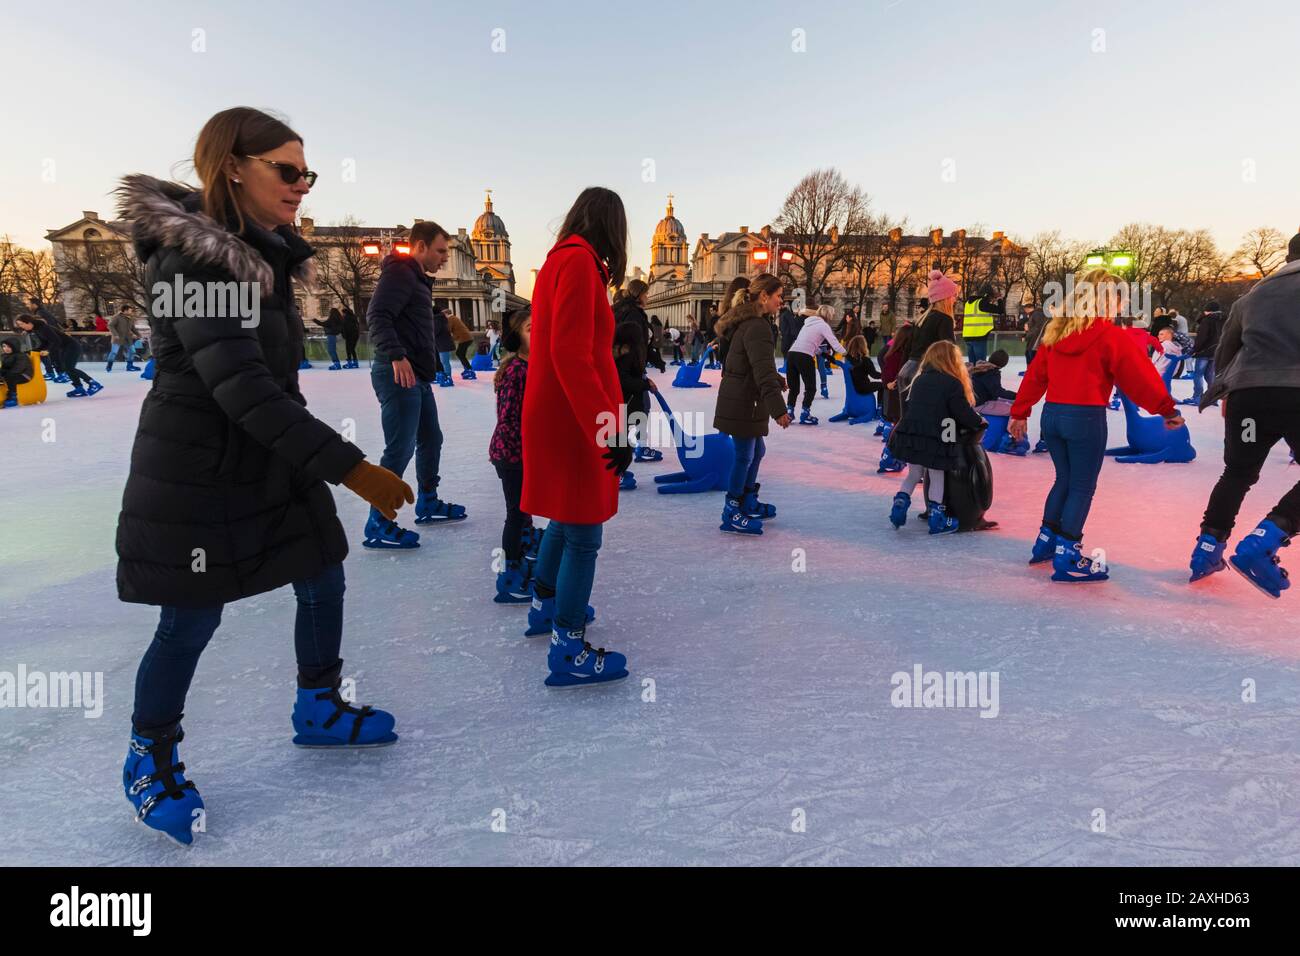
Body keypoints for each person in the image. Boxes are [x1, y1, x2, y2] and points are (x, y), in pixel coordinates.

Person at [113, 107, 413, 845]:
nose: (302, 185)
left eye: (306, 171)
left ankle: (318, 704)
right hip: (198, 470)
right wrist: (351, 469)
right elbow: (242, 388)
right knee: (192, 615)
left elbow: (273, 388)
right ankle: (148, 755)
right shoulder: (194, 263)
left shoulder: (268, 257)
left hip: (270, 454)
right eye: (287, 170)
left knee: (324, 568)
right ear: (232, 168)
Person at [521, 186, 631, 687]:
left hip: (560, 412)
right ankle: (568, 645)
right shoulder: (581, 264)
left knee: (566, 517)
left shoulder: (561, 262)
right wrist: (609, 430)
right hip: (575, 418)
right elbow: (573, 355)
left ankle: (546, 606)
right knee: (584, 530)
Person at [1009, 269, 1183, 583]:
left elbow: (1035, 376)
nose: (1122, 307)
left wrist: (1020, 412)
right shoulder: (1111, 336)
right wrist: (1166, 409)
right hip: (1085, 418)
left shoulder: (1055, 332)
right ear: (1108, 300)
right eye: (1121, 299)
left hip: (1052, 416)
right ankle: (1068, 556)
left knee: (1064, 479)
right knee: (1081, 486)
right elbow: (1139, 378)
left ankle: (1046, 541)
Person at [1190, 234, 1300, 596]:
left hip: (1250, 399)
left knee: (1237, 472)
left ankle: (1207, 549)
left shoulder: (1253, 296)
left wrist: (1225, 388)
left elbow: (1226, 351)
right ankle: (1263, 539)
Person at [365, 219, 468, 548]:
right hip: (398, 375)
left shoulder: (418, 280)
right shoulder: (400, 272)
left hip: (417, 377)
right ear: (420, 246)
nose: (444, 258)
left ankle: (427, 500)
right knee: (399, 448)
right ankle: (378, 522)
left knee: (430, 439)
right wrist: (397, 355)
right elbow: (378, 315)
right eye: (440, 251)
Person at [713, 273, 791, 534]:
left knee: (756, 452)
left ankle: (746, 499)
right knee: (745, 454)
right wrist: (779, 409)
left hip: (742, 396)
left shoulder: (750, 322)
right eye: (779, 295)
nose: (782, 301)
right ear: (764, 296)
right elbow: (762, 372)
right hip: (744, 400)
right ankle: (732, 509)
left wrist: (776, 379)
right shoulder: (757, 326)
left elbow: (753, 365)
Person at [888, 340, 990, 534]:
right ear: (952, 360)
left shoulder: (919, 379)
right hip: (938, 433)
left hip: (913, 433)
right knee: (937, 474)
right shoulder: (952, 383)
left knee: (914, 474)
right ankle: (938, 519)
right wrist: (979, 421)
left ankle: (899, 505)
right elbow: (961, 412)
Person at [489, 307, 535, 603]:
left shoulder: (532, 365)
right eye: (531, 328)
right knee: (515, 513)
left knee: (524, 506)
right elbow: (509, 419)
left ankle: (525, 545)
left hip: (520, 454)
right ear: (517, 337)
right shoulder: (517, 371)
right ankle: (510, 573)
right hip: (511, 455)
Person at [898, 270, 958, 407]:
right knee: (924, 422)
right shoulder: (944, 319)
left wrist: (901, 371)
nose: (955, 299)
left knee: (907, 420)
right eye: (953, 295)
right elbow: (949, 353)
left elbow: (908, 349)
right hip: (923, 374)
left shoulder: (921, 319)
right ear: (945, 297)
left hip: (907, 371)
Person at [14, 313, 100, 397]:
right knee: (67, 368)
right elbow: (45, 343)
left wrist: (48, 350)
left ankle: (93, 383)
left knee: (69, 368)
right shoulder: (37, 329)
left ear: (28, 322)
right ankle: (79, 388)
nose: (21, 327)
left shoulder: (43, 328)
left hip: (72, 346)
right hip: (64, 348)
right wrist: (30, 352)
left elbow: (56, 341)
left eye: (21, 324)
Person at [785, 304, 845, 424]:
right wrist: (849, 353)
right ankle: (805, 413)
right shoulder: (823, 325)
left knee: (794, 388)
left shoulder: (807, 324)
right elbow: (835, 344)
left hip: (791, 354)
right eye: (832, 314)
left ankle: (790, 412)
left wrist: (823, 354)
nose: (832, 317)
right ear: (827, 314)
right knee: (810, 387)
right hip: (804, 356)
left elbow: (808, 343)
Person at [1182, 301, 1224, 407]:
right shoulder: (1224, 320)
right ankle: (1212, 398)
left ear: (1207, 310)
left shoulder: (1207, 320)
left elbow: (1202, 337)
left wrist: (1194, 349)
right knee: (1210, 375)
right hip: (1217, 351)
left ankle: (1197, 396)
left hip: (1204, 351)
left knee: (1198, 374)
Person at [880, 324, 915, 425]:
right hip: (897, 395)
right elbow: (887, 373)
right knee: (899, 422)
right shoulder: (896, 355)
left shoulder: (906, 354)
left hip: (902, 394)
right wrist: (888, 384)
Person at [27, 296, 65, 381]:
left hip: (51, 337)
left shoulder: (40, 313)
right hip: (50, 337)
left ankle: (60, 374)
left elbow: (49, 324)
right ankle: (54, 373)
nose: (28, 306)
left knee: (53, 355)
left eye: (29, 304)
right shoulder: (42, 312)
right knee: (46, 354)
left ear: (34, 304)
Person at [971, 348, 1018, 417]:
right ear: (1003, 364)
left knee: (1011, 402)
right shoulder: (992, 373)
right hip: (979, 404)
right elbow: (998, 392)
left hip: (974, 401)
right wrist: (1017, 395)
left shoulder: (980, 367)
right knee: (1015, 409)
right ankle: (1009, 428)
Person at [961, 285, 1001, 363]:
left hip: (968, 336)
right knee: (980, 364)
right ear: (987, 295)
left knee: (972, 364)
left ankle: (972, 375)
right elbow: (1000, 310)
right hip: (978, 336)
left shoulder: (968, 303)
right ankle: (979, 375)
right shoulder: (982, 303)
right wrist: (999, 299)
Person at [105, 303, 140, 372]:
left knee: (132, 351)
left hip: (128, 338)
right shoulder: (116, 317)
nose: (131, 312)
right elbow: (110, 325)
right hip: (118, 338)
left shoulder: (130, 318)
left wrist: (138, 335)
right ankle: (109, 366)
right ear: (125, 311)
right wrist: (115, 334)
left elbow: (133, 328)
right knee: (114, 352)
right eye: (130, 310)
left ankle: (129, 366)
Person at [1019, 293, 1048, 373]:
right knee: (1028, 354)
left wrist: (1027, 335)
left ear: (1028, 308)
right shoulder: (1032, 315)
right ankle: (1030, 371)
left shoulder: (1036, 314)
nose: (1024, 311)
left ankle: (1033, 371)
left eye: (1025, 309)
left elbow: (1037, 328)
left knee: (1031, 355)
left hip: (1035, 341)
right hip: (1033, 340)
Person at [1, 336, 32, 408]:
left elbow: (19, 368)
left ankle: (13, 396)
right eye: (4, 346)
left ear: (15, 346)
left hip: (24, 375)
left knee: (10, 377)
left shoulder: (21, 356)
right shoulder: (4, 356)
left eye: (9, 347)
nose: (6, 349)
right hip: (12, 373)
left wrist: (5, 373)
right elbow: (4, 367)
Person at [448, 310, 476, 379]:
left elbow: (448, 329)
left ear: (446, 314)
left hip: (464, 339)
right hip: (466, 338)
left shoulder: (451, 318)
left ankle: (469, 369)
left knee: (459, 353)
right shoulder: (454, 318)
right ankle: (468, 369)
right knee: (460, 354)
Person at [433, 305, 455, 387]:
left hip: (443, 344)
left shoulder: (437, 319)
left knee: (444, 362)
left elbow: (435, 331)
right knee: (443, 362)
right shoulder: (441, 318)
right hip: (442, 343)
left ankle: (448, 378)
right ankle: (445, 376)